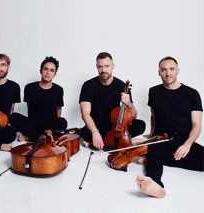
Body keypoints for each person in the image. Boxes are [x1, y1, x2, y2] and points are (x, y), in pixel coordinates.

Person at [136, 56, 204, 198]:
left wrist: (187, 144)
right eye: (164, 70)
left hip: (182, 138)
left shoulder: (192, 94)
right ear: (159, 72)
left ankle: (154, 156)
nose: (168, 73)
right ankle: (155, 185)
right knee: (155, 152)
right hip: (161, 137)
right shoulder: (154, 91)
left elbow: (197, 124)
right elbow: (153, 116)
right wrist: (151, 135)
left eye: (172, 69)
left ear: (178, 71)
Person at [79, 52, 146, 149]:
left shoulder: (123, 86)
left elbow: (134, 116)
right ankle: (126, 142)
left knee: (141, 125)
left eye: (107, 66)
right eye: (100, 67)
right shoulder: (88, 85)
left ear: (113, 66)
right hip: (98, 125)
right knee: (85, 132)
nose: (103, 70)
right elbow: (85, 113)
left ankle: (97, 142)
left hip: (116, 126)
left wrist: (129, 104)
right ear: (97, 67)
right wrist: (94, 132)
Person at [9, 56, 67, 142]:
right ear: (40, 71)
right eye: (45, 69)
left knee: (63, 122)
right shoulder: (29, 87)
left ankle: (30, 136)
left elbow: (58, 109)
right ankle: (41, 136)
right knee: (13, 117)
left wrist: (55, 125)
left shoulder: (58, 90)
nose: (48, 73)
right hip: (33, 123)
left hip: (49, 124)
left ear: (55, 74)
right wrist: (28, 125)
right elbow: (29, 106)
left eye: (51, 70)